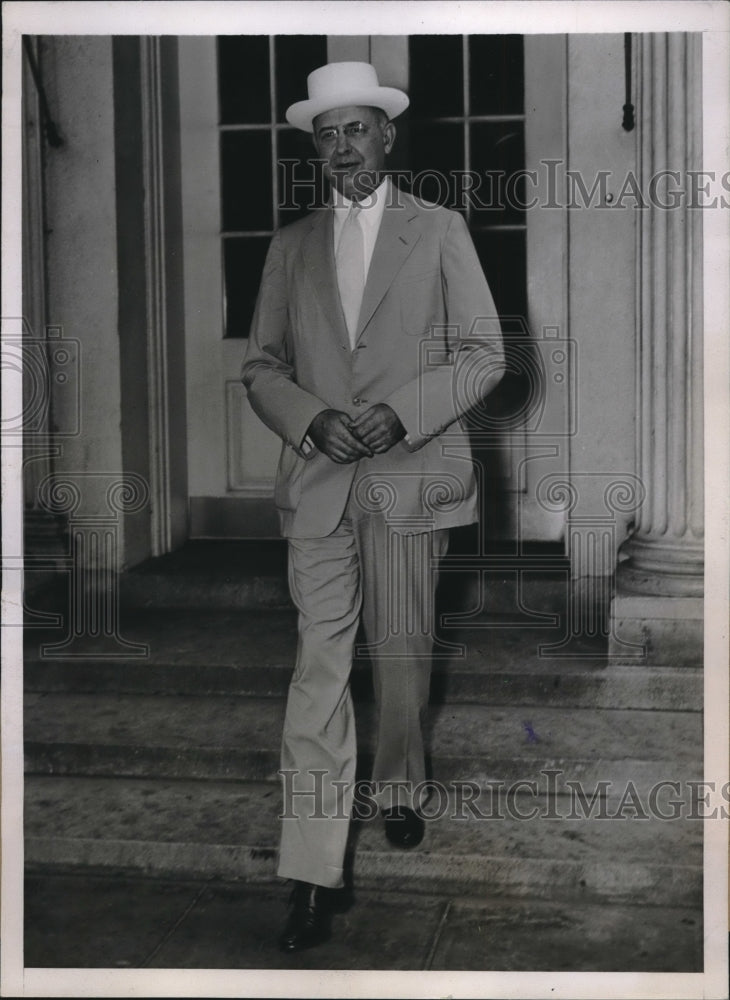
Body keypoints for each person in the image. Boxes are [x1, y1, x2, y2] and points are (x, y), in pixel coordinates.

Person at [242, 60, 505, 952]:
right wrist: (310, 419)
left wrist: (404, 411)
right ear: (313, 148)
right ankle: (313, 874)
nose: (342, 147)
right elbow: (262, 366)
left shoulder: (439, 229)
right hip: (320, 485)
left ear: (387, 135)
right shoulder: (290, 245)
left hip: (412, 474)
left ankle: (398, 784)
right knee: (318, 670)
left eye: (356, 128)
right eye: (326, 134)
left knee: (401, 658)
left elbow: (483, 354)